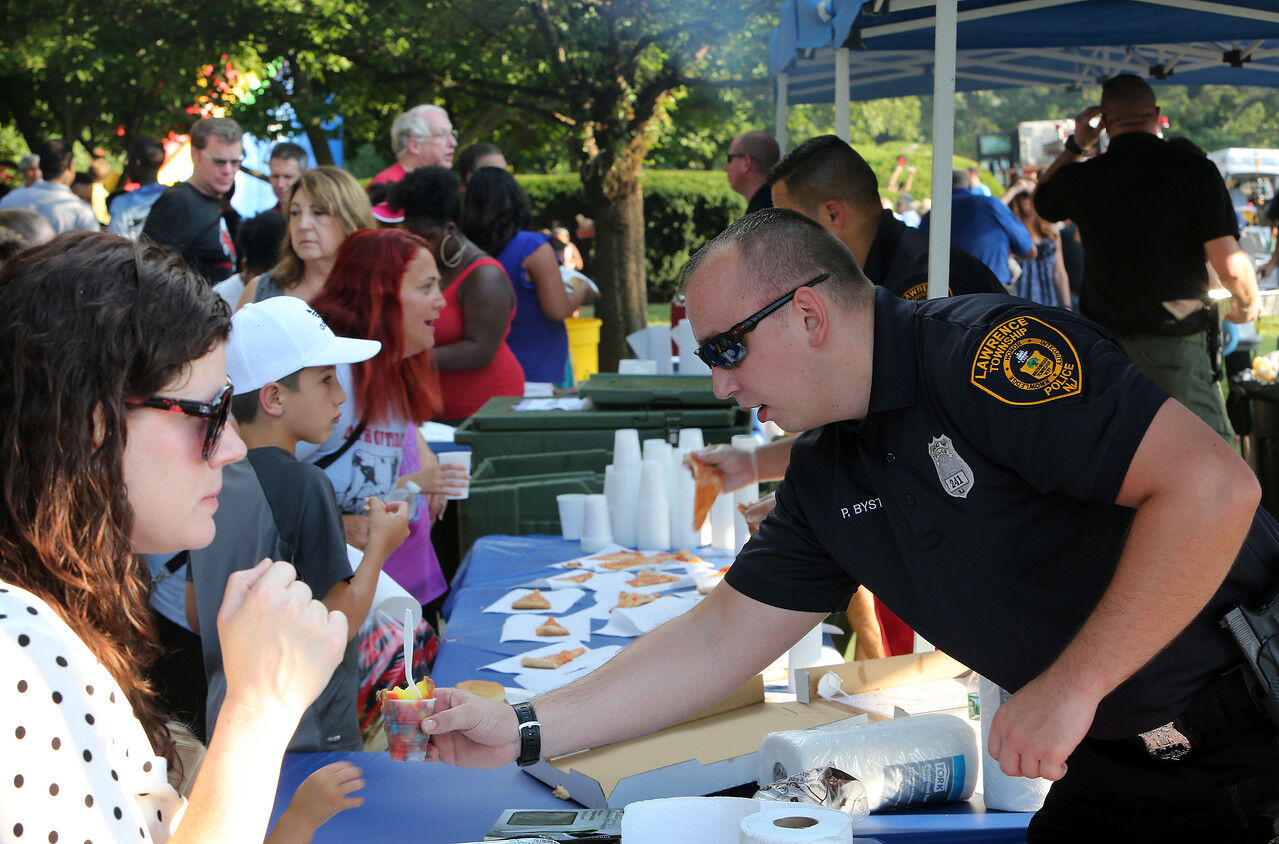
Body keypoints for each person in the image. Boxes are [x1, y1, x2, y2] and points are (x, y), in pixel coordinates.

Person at [423, 209, 1279, 840]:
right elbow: (714, 643)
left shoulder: (987, 354)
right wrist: (524, 725)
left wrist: (1071, 684)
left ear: (807, 313)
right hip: (1114, 757)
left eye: (725, 350)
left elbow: (1212, 489)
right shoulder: (827, 469)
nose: (720, 386)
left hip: (1249, 728)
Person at [0, 230, 348, 842]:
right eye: (211, 412)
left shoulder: (54, 606)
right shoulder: (17, 651)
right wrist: (260, 709)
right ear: (96, 425)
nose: (234, 446)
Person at [186, 296, 410, 751]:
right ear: (273, 397)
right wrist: (379, 548)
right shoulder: (305, 484)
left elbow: (195, 613)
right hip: (309, 732)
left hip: (230, 726)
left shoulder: (207, 478)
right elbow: (337, 622)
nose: (340, 396)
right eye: (326, 380)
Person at [1034, 74, 1259, 442]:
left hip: (1105, 349)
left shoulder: (1085, 177)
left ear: (1104, 122)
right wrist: (1247, 304)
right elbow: (1231, 264)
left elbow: (1043, 199)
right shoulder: (1193, 170)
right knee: (1204, 463)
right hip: (1175, 346)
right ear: (1156, 114)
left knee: (1122, 460)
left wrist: (1076, 143)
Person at [300, 229, 468, 566]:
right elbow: (253, 476)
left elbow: (360, 490)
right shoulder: (334, 376)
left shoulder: (392, 373)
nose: (442, 299)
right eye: (426, 286)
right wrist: (332, 527)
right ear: (380, 295)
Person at [392, 166, 524, 423]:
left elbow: (480, 350)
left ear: (450, 229)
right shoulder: (423, 268)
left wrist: (402, 356)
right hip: (433, 411)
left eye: (426, 237)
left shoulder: (485, 276)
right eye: (410, 237)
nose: (418, 245)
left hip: (487, 409)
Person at [462, 167, 597, 385]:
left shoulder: (465, 250)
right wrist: (582, 290)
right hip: (536, 371)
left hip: (487, 370)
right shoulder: (532, 247)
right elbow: (558, 309)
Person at [238, 166, 375, 307]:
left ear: (351, 218)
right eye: (295, 212)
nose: (303, 225)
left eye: (318, 212)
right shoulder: (260, 290)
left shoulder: (377, 291)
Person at [142, 117, 242, 284]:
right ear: (195, 154)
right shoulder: (179, 202)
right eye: (219, 161)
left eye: (235, 162)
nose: (228, 170)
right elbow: (150, 273)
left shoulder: (212, 200)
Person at [921, 169, 1036, 290]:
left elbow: (921, 256)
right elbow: (1028, 249)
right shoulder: (989, 204)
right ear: (970, 186)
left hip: (948, 294)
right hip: (992, 289)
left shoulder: (930, 216)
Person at [0, 138, 99, 234]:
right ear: (71, 166)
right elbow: (93, 249)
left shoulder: (8, 201)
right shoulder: (82, 212)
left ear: (40, 165)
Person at [369, 104, 458, 189]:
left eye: (451, 134)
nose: (453, 143)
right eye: (441, 135)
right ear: (415, 146)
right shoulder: (387, 186)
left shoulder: (432, 184)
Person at [1009, 187, 1071, 308]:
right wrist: (1014, 189)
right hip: (1020, 300)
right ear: (1016, 198)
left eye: (1034, 193)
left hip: (1049, 298)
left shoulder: (1051, 230)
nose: (1030, 198)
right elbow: (992, 209)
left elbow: (1059, 272)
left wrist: (1067, 305)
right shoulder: (1011, 229)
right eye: (1025, 194)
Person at [213, 209, 287, 309]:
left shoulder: (289, 295)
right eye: (261, 279)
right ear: (245, 265)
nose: (265, 288)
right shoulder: (219, 299)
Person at [108, 135, 168, 240]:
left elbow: (115, 243)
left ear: (137, 163)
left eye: (128, 161)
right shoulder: (174, 196)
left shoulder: (122, 203)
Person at [724, 130, 779, 215]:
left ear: (746, 163)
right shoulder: (782, 207)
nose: (725, 168)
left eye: (729, 159)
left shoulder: (759, 219)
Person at [268, 142, 309, 212]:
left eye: (287, 177)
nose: (280, 184)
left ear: (304, 177)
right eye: (275, 176)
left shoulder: (324, 217)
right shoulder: (265, 220)